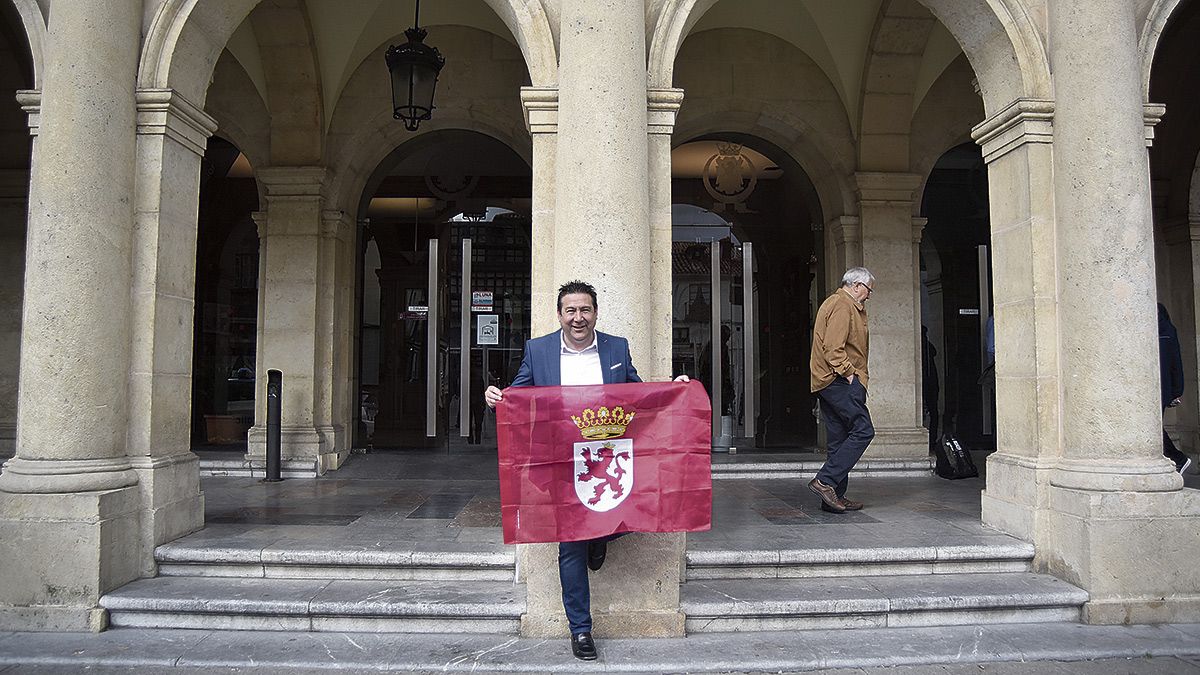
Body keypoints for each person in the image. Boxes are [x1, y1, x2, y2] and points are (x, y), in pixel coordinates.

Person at [484, 280, 687, 661]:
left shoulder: (616, 348)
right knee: (570, 545)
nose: (578, 318)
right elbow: (520, 394)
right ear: (559, 314)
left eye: (585, 310)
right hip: (561, 462)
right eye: (571, 311)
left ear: (595, 312)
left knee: (622, 520)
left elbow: (637, 395)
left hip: (608, 456)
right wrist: (498, 397)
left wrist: (672, 391)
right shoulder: (539, 350)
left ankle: (600, 540)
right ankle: (580, 629)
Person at [808, 267, 876, 513]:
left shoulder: (842, 304)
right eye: (869, 290)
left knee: (838, 439)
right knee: (863, 430)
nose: (869, 296)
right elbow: (833, 347)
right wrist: (849, 374)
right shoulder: (842, 305)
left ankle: (833, 496)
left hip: (829, 380)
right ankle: (825, 481)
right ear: (857, 285)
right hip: (837, 380)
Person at [1158, 303, 1192, 474]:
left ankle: (1178, 459)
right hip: (1164, 390)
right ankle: (1176, 459)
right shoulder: (1169, 332)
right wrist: (1177, 391)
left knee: (1154, 429)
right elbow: (1176, 365)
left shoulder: (1157, 334)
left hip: (1157, 390)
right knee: (1155, 428)